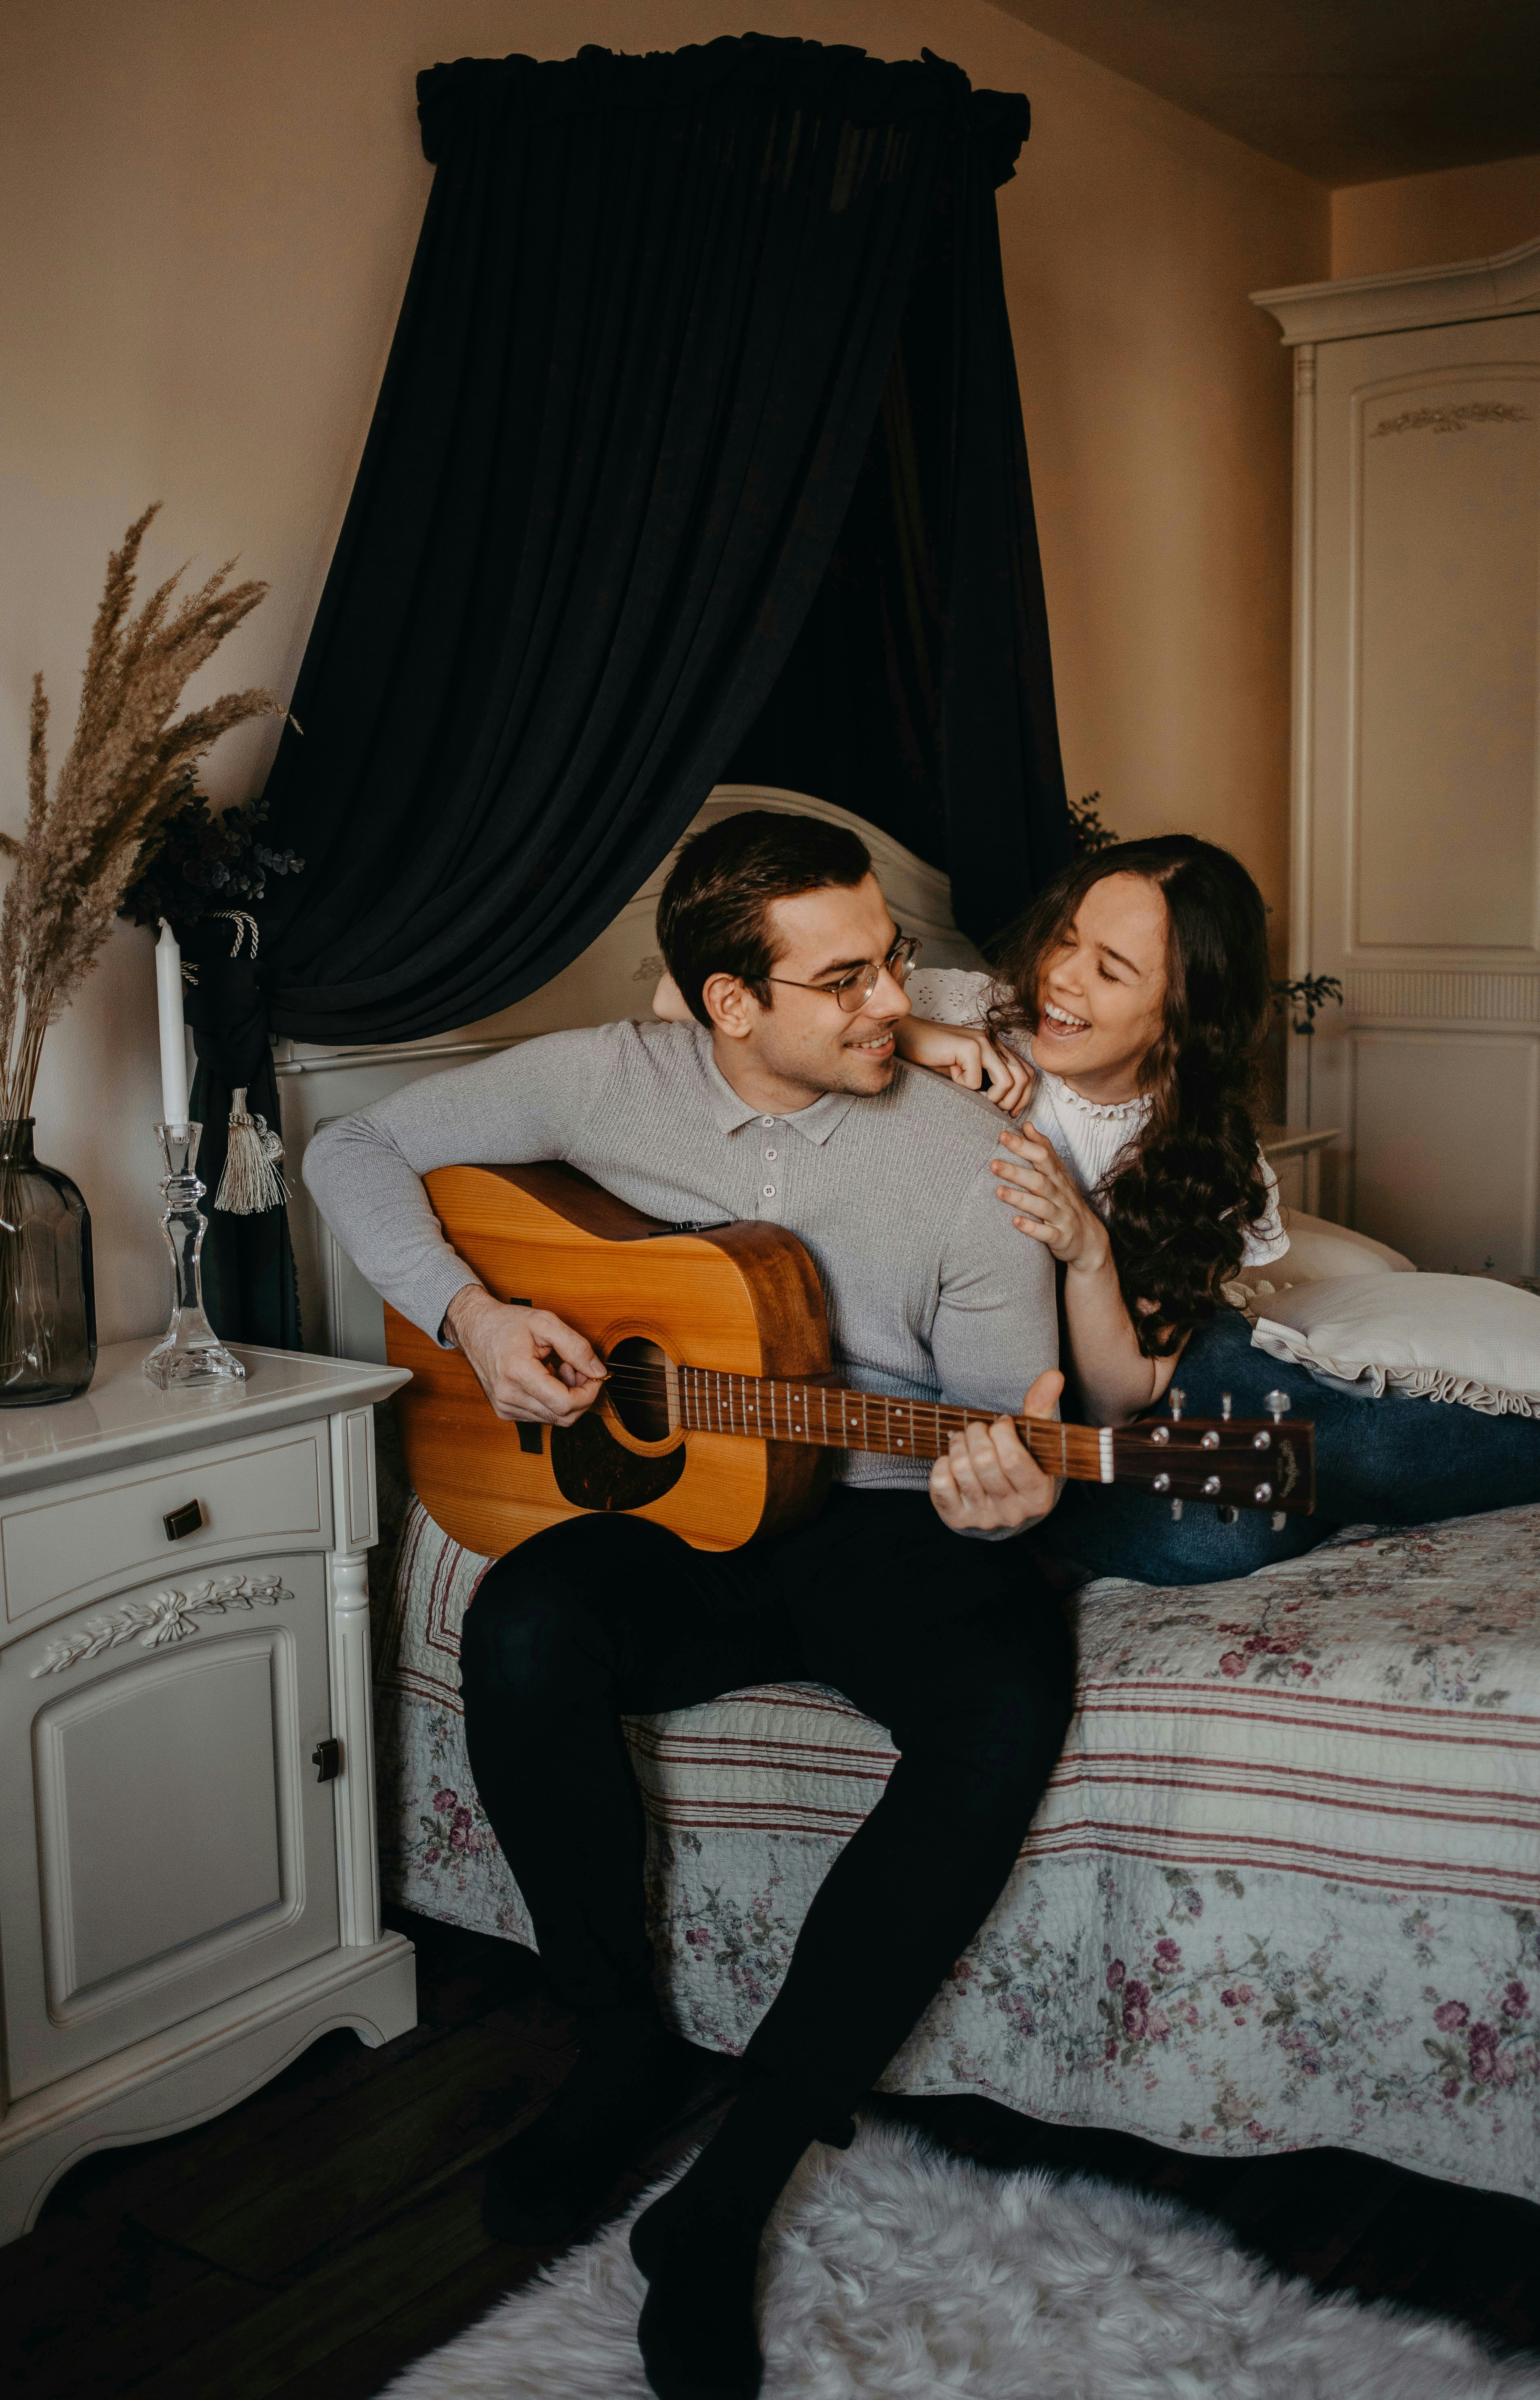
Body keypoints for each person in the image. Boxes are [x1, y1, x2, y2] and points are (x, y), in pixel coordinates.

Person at [305, 811, 1073, 2400]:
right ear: (728, 1002)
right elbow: (347, 1149)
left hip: (883, 1513)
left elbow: (1002, 1413)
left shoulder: (967, 1156)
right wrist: (475, 1313)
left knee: (1003, 1702)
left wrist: (1005, 1486)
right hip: (684, 1515)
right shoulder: (602, 1082)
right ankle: (617, 2043)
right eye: (845, 978)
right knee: (521, 1624)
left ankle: (734, 2186)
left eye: (890, 959)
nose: (896, 999)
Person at [891, 834, 1540, 1583]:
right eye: (1066, 940)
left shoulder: (1200, 1156)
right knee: (1220, 1539)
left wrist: (1089, 1250)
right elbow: (812, 1016)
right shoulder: (971, 1013)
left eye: (1110, 969)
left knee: (1320, 1439)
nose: (1062, 977)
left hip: (1147, 1374)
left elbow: (1122, 1399)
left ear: (1181, 1013)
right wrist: (914, 1033)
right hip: (1027, 1397)